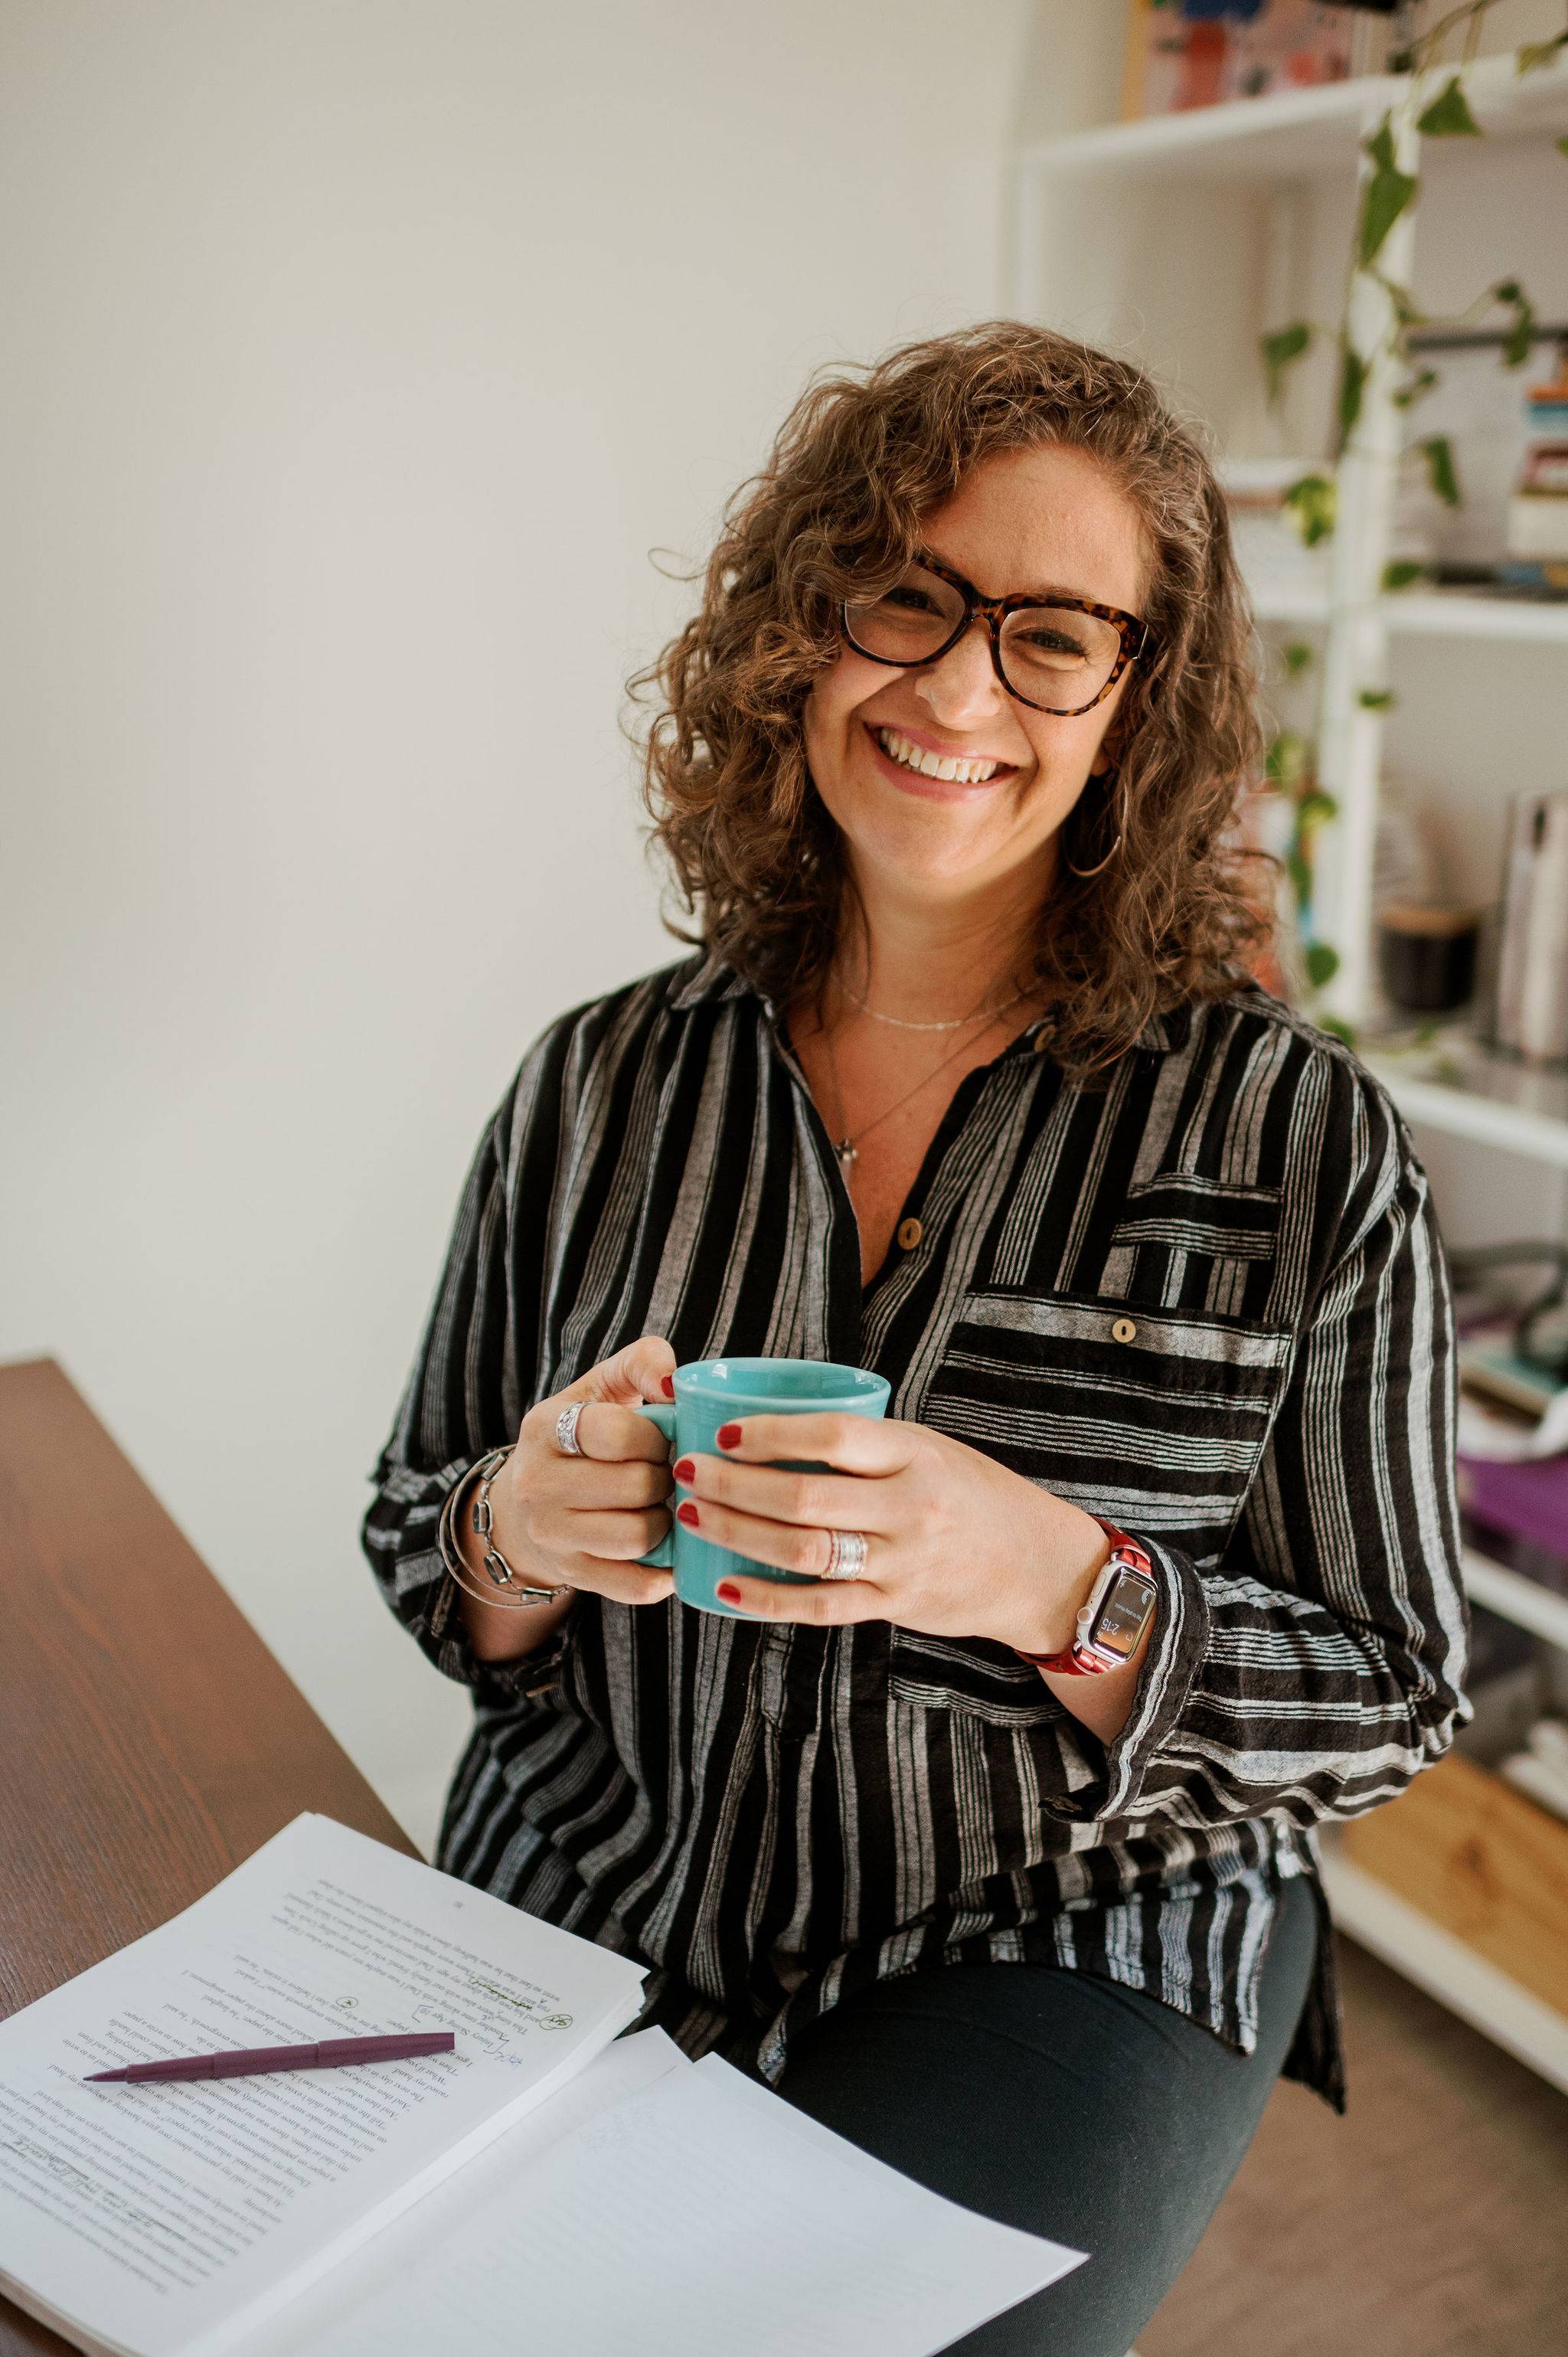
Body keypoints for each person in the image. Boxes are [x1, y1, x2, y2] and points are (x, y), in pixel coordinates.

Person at [362, 322, 1468, 2357]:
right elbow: (423, 1542)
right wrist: (521, 1533)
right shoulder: (601, 1081)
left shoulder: (1295, 1143)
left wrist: (1062, 1579)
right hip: (606, 1859)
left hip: (1069, 1926)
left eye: (1055, 636)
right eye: (909, 601)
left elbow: (1395, 1689)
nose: (958, 687)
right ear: (806, 634)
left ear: (1138, 703)